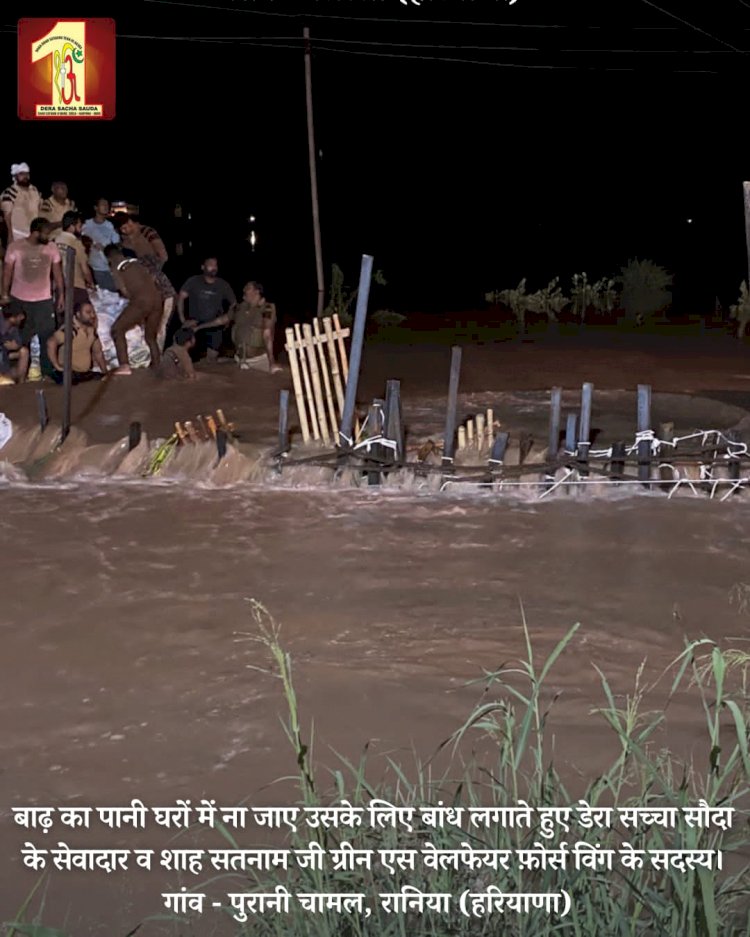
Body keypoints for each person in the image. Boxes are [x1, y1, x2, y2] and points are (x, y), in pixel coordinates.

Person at [1, 217, 64, 378]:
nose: (48, 237)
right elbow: (7, 272)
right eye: (45, 233)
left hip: (44, 300)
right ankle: (20, 374)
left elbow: (58, 274)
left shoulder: (51, 248)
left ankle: (47, 373)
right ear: (35, 233)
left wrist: (61, 295)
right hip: (20, 300)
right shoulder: (16, 247)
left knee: (46, 337)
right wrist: (5, 294)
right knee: (21, 339)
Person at [195, 280, 281, 373]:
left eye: (248, 288)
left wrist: (271, 361)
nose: (244, 290)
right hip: (239, 360)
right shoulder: (238, 308)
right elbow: (221, 320)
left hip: (259, 361)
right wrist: (199, 327)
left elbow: (268, 333)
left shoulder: (267, 308)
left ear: (257, 291)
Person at [104, 244, 163, 375]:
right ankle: (157, 364)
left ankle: (124, 365)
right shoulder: (136, 263)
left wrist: (133, 302)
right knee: (150, 337)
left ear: (108, 257)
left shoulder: (116, 267)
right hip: (158, 300)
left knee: (117, 329)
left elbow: (124, 291)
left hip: (142, 301)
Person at [177, 257, 236, 361]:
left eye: (215, 265)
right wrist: (183, 320)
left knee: (211, 359)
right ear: (203, 267)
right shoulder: (193, 281)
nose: (213, 267)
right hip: (194, 322)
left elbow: (234, 303)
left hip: (214, 324)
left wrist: (228, 318)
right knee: (185, 355)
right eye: (210, 265)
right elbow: (180, 298)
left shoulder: (223, 284)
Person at [46, 301, 108, 384]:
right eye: (88, 312)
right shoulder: (71, 330)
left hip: (84, 373)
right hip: (69, 373)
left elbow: (98, 353)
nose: (92, 315)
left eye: (93, 312)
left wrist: (105, 373)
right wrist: (57, 366)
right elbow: (51, 343)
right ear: (78, 314)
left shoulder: (91, 331)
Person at [53, 210, 94, 307]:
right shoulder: (76, 243)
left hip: (59, 288)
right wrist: (91, 284)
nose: (81, 229)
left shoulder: (55, 241)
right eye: (79, 226)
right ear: (72, 227)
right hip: (77, 287)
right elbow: (85, 270)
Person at [82, 199, 120, 291]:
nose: (106, 207)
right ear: (95, 207)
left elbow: (116, 245)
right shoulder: (87, 225)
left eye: (107, 205)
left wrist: (105, 249)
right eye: (103, 205)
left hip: (107, 268)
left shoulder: (110, 226)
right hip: (91, 267)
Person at [1, 163, 42, 244]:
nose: (25, 176)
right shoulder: (10, 192)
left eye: (27, 174)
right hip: (17, 234)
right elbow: (7, 215)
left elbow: (39, 209)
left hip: (33, 234)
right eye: (21, 174)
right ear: (15, 176)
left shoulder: (34, 190)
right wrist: (10, 235)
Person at [0, 306, 29, 383]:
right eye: (20, 316)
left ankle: (21, 384)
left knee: (24, 351)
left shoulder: (14, 328)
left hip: (5, 361)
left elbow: (18, 342)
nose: (22, 319)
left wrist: (16, 346)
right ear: (12, 318)